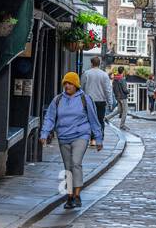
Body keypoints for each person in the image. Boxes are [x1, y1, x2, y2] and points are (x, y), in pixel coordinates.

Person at [41, 71, 103, 209]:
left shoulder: (84, 99)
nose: (67, 86)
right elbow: (50, 117)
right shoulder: (58, 100)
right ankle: (69, 197)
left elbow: (94, 119)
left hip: (81, 135)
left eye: (70, 83)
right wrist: (44, 133)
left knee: (76, 163)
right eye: (65, 83)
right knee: (67, 167)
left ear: (76, 85)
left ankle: (77, 194)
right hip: (63, 136)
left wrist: (98, 138)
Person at [81, 55, 114, 138]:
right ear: (99, 64)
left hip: (89, 101)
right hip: (101, 101)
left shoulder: (86, 74)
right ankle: (100, 136)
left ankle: (92, 138)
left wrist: (81, 100)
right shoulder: (104, 75)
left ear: (92, 63)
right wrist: (110, 102)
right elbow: (108, 90)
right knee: (100, 120)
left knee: (90, 120)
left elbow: (81, 88)